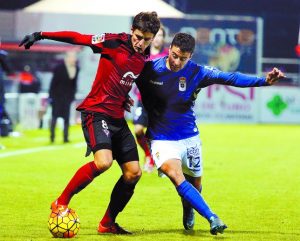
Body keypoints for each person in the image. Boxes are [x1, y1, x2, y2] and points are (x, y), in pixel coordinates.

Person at [19, 11, 161, 234]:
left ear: (152, 38)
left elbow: (121, 78)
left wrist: (123, 97)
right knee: (103, 162)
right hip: (96, 113)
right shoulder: (113, 41)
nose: (140, 42)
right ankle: (61, 201)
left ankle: (107, 224)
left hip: (117, 118)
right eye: (138, 36)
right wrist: (41, 34)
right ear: (132, 30)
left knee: (134, 173)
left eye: (146, 39)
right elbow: (78, 37)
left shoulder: (143, 59)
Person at [135, 33, 285, 235]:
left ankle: (188, 207)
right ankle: (212, 217)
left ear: (191, 56)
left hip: (189, 137)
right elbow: (125, 78)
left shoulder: (198, 72)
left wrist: (263, 81)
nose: (177, 61)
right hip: (161, 139)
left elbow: (230, 77)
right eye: (175, 55)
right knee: (177, 176)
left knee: (195, 184)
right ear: (170, 49)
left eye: (183, 58)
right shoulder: (151, 69)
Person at [133, 25, 168, 172]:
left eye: (161, 36)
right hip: (143, 100)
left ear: (163, 38)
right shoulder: (142, 54)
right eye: (156, 35)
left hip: (160, 103)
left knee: (157, 135)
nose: (158, 38)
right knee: (138, 130)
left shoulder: (167, 56)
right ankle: (149, 155)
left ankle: (160, 162)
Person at [49, 51, 80, 143]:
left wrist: (72, 96)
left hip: (68, 98)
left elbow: (74, 84)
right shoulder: (59, 68)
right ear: (67, 58)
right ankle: (52, 137)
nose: (74, 59)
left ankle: (65, 138)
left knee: (66, 118)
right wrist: (51, 97)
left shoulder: (77, 68)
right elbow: (53, 83)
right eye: (72, 57)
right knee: (54, 117)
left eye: (74, 57)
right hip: (57, 97)